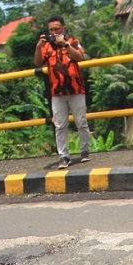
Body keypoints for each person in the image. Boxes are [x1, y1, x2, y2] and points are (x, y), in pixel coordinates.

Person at [34, 16, 91, 168]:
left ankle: (85, 151)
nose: (54, 32)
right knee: (60, 125)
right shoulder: (46, 46)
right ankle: (64, 156)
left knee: (81, 122)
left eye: (56, 29)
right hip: (57, 92)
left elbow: (79, 57)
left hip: (76, 89)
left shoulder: (73, 41)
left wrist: (65, 44)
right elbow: (38, 62)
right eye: (51, 30)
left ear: (63, 29)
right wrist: (38, 47)